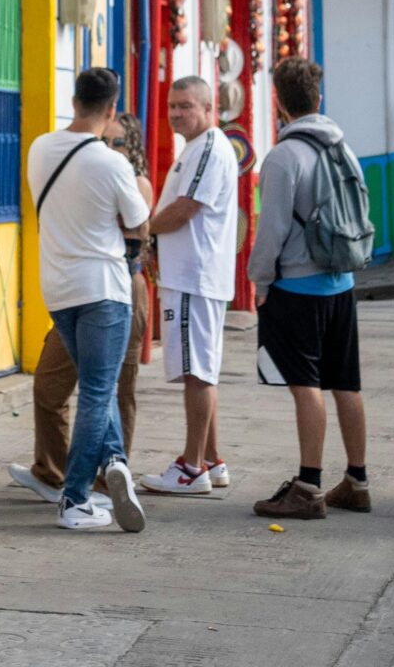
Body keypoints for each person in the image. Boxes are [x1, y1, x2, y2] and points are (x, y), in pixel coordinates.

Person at [23, 65, 149, 531]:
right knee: (99, 391)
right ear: (112, 109)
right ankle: (75, 499)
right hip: (104, 289)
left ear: (73, 101)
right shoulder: (111, 162)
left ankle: (114, 461)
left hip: (58, 289)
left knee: (98, 386)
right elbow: (138, 218)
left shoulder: (40, 147)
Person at [248, 54, 371, 520]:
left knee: (306, 386)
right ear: (319, 98)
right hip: (342, 281)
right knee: (347, 384)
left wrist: (260, 280)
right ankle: (357, 481)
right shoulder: (345, 149)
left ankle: (308, 487)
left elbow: (273, 228)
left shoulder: (283, 156)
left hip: (299, 286)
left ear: (279, 102)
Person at [141, 74, 239, 497]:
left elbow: (185, 209)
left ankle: (191, 467)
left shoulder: (208, 149)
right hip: (195, 276)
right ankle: (212, 460)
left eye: (186, 106)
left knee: (196, 373)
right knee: (203, 370)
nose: (177, 113)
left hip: (194, 277)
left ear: (207, 108)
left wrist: (141, 230)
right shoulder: (199, 149)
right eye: (172, 105)